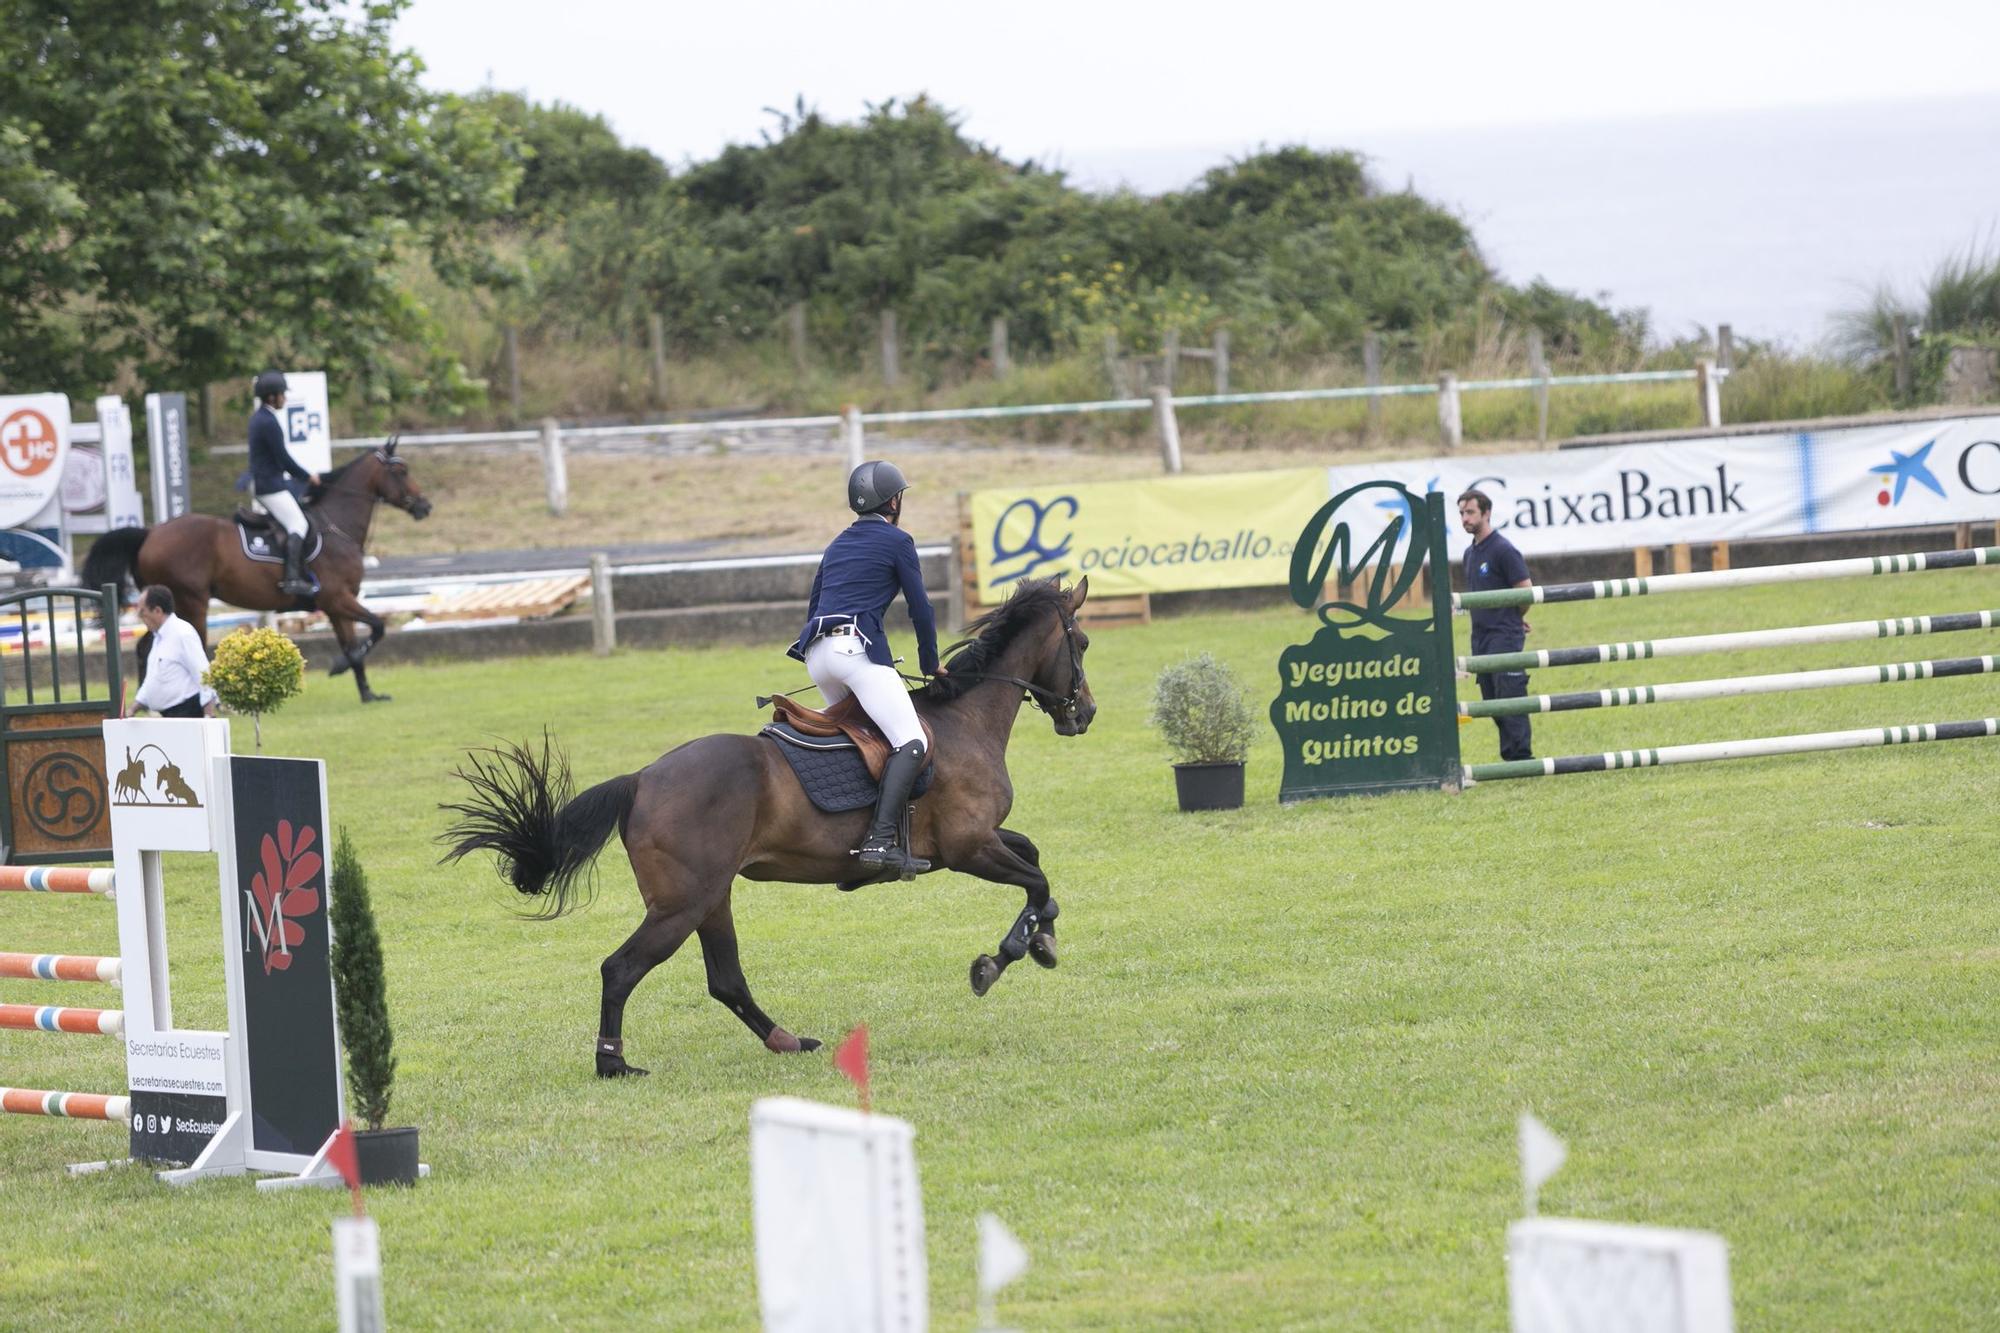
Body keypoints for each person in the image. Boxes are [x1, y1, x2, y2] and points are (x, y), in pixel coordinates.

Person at [788, 460, 944, 877]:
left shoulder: (837, 543)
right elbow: (921, 610)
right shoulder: (898, 541)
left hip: (818, 654)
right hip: (853, 652)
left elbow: (815, 603)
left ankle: (844, 836)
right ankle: (878, 843)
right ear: (893, 501)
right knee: (910, 741)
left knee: (862, 737)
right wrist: (931, 663)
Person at [1457, 489, 1534, 762]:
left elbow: (1525, 591)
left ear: (1486, 513)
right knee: (1491, 699)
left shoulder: (1503, 549)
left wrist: (1514, 616)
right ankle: (1509, 756)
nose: (1465, 519)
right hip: (1480, 637)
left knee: (1510, 694)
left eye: (1470, 513)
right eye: (1462, 514)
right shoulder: (1469, 554)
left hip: (1504, 634)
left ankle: (1521, 757)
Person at [248, 370, 320, 596]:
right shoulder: (268, 422)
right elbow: (283, 458)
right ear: (271, 397)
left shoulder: (261, 417)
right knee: (299, 524)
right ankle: (292, 579)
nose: (285, 399)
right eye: (282, 395)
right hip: (269, 484)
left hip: (265, 480)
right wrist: (307, 476)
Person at [131, 586, 217, 719]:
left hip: (187, 713)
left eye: (142, 612)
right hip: (171, 716)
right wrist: (133, 709)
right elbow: (152, 679)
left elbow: (203, 673)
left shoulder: (182, 634)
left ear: (157, 611)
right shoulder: (158, 637)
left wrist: (209, 716)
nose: (141, 617)